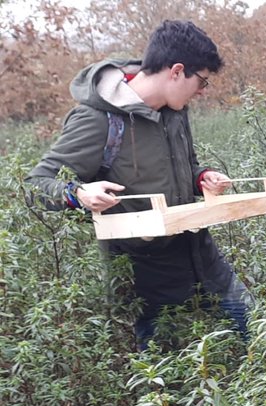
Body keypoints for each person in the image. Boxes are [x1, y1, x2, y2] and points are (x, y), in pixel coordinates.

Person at [26, 20, 254, 349]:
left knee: (255, 329)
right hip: (147, 274)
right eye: (201, 81)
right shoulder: (97, 119)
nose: (203, 91)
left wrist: (202, 177)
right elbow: (36, 184)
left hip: (201, 255)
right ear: (176, 71)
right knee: (167, 373)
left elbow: (181, 167)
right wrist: (78, 193)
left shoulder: (175, 111)